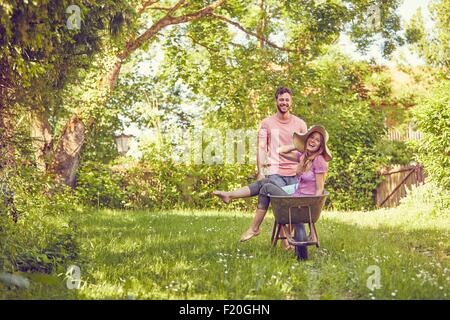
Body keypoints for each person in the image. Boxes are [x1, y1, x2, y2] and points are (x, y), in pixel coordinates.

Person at [213, 125, 332, 245]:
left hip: (303, 204)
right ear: (307, 139)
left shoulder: (319, 161)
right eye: (311, 137)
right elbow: (280, 151)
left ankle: (254, 228)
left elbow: (319, 189)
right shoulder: (303, 157)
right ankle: (230, 195)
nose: (313, 141)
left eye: (318, 140)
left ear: (321, 146)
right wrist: (299, 145)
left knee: (266, 188)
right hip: (295, 199)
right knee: (265, 181)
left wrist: (312, 213)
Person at [256, 87, 307, 187]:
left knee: (298, 202)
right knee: (279, 199)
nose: (284, 102)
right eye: (281, 100)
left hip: (296, 174)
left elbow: (306, 151)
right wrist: (260, 172)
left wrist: (306, 172)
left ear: (291, 102)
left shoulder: (300, 124)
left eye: (287, 100)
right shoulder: (266, 123)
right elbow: (261, 149)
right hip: (275, 173)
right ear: (276, 101)